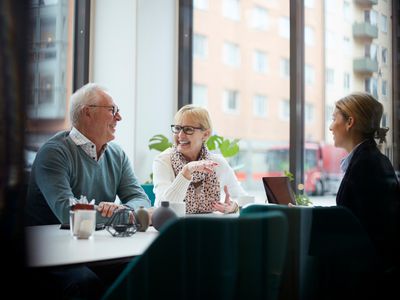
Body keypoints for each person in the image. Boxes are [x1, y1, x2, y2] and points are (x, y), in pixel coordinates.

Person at [25, 83, 150, 299]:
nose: (119, 117)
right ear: (87, 112)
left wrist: (123, 209)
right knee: (85, 284)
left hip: (95, 249)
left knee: (143, 271)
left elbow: (141, 199)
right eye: (112, 110)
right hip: (53, 255)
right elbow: (68, 213)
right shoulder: (54, 153)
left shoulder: (117, 154)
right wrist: (123, 214)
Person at [329, 92, 400, 294]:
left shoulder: (366, 164)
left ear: (350, 121)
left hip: (366, 281)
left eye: (334, 119)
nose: (330, 126)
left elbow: (362, 230)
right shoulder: (370, 159)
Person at [152, 104, 247, 214]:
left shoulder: (217, 163)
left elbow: (244, 199)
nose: (180, 135)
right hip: (174, 228)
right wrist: (186, 171)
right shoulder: (163, 160)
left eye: (188, 129)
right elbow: (164, 207)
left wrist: (233, 206)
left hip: (210, 227)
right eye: (177, 128)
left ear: (206, 134)